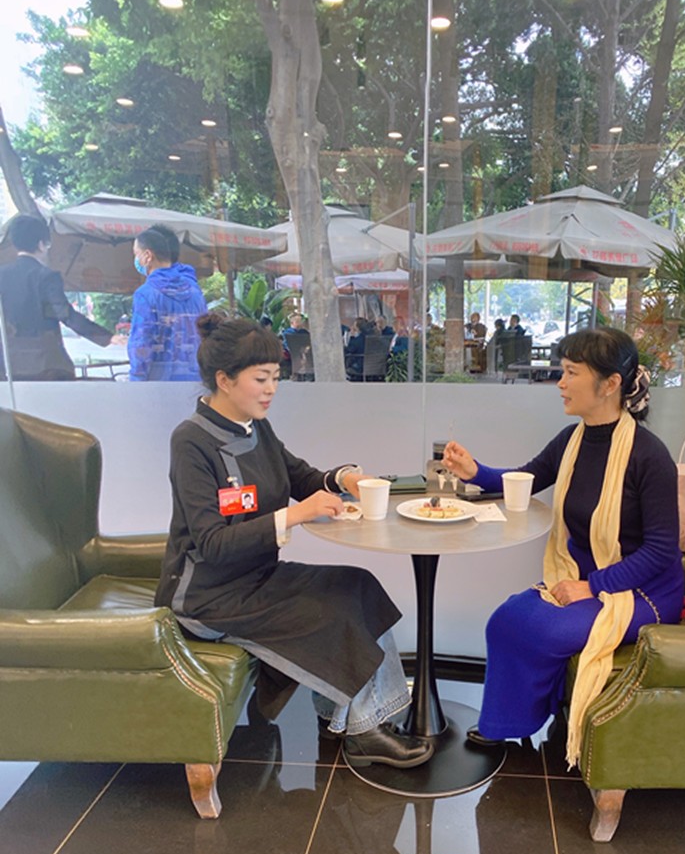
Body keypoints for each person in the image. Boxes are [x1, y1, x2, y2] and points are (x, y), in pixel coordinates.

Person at [156, 311, 432, 770]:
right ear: (224, 379)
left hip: (255, 577)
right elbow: (212, 543)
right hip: (209, 596)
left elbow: (297, 476)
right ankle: (365, 731)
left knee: (357, 585)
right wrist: (296, 515)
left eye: (275, 378)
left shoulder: (255, 426)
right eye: (261, 379)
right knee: (332, 611)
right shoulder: (192, 441)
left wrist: (343, 478)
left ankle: (350, 718)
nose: (271, 390)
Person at [442, 327, 683, 764]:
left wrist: (593, 587)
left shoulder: (650, 457)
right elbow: (526, 479)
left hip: (643, 594)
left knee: (544, 629)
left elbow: (661, 551)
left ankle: (534, 716)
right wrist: (474, 471)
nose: (560, 382)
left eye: (572, 372)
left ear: (610, 384)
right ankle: (508, 724)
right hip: (585, 579)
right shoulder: (572, 440)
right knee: (504, 620)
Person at [0, 213, 115, 380]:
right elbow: (65, 314)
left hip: (8, 366)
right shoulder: (46, 276)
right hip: (46, 365)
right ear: (41, 245)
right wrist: (107, 337)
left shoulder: (2, 275)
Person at [129, 223, 207, 381]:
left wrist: (136, 381)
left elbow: (141, 344)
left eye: (136, 254)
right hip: (195, 380)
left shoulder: (145, 294)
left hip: (158, 384)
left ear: (147, 256)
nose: (136, 259)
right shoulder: (195, 291)